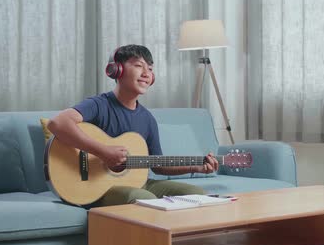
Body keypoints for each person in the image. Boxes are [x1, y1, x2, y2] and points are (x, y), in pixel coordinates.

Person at [47, 44, 219, 206]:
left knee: (197, 195)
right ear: (117, 70)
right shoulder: (99, 105)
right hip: (98, 188)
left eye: (150, 69)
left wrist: (195, 166)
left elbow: (158, 165)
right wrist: (103, 152)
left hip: (138, 184)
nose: (146, 73)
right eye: (138, 65)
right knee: (145, 199)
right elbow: (58, 123)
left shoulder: (147, 119)